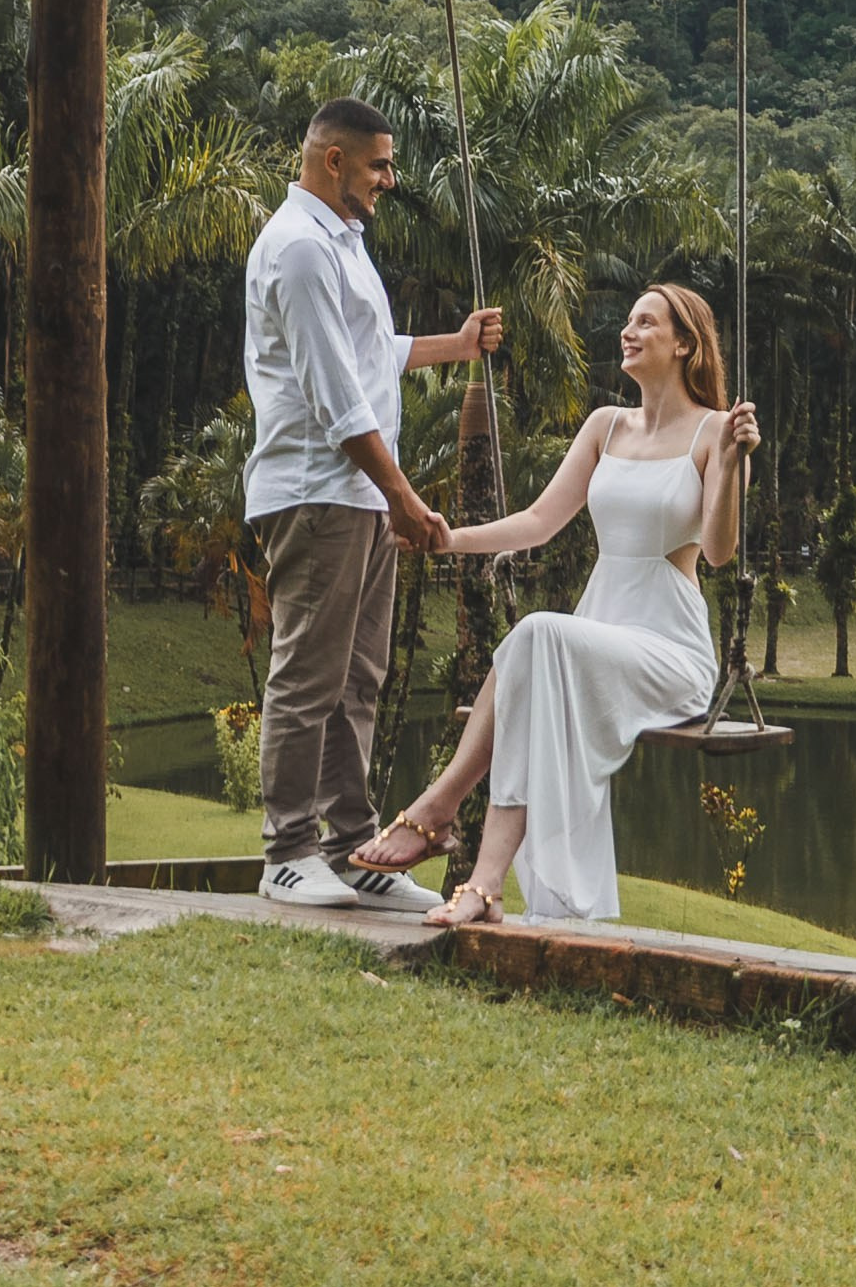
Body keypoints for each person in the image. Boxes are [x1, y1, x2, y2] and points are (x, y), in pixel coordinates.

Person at [350, 283, 758, 926]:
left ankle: (440, 809)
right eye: (627, 320)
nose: (628, 331)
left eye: (646, 322)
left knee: (538, 637)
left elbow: (716, 553)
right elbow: (539, 521)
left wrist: (732, 467)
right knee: (538, 651)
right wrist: (449, 539)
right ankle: (482, 884)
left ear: (684, 343)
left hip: (669, 651)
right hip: (599, 633)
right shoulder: (605, 426)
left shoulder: (718, 433)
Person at [243, 96, 501, 912]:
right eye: (379, 165)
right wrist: (403, 497)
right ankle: (286, 852)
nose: (391, 180)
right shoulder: (298, 250)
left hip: (355, 494)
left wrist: (453, 345)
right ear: (333, 162)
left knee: (359, 679)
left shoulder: (342, 246)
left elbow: (369, 355)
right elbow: (332, 396)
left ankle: (350, 851)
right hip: (318, 491)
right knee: (307, 678)